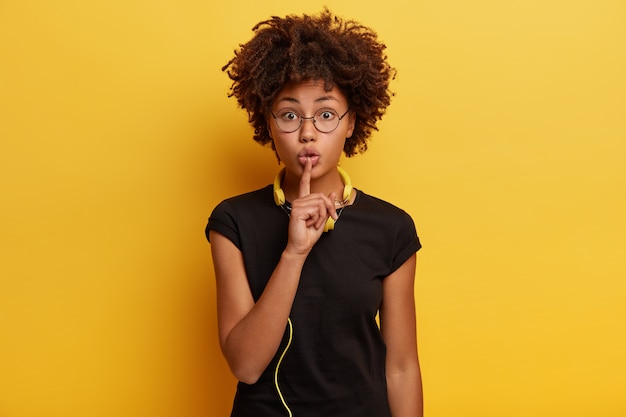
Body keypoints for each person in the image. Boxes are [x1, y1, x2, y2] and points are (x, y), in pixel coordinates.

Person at [206, 9, 423, 417]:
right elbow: (246, 366)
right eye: (289, 115)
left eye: (325, 115)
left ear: (351, 122)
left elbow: (401, 366)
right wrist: (294, 253)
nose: (307, 132)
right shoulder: (233, 222)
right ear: (268, 124)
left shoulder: (391, 229)